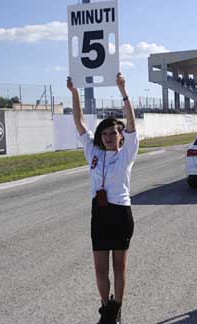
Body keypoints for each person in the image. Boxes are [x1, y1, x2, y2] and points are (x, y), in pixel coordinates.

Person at [67, 73, 138, 324]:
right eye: (105, 133)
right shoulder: (93, 152)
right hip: (99, 213)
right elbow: (79, 122)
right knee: (100, 267)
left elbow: (130, 122)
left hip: (120, 213)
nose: (109, 136)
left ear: (121, 137)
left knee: (119, 266)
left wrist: (123, 90)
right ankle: (105, 307)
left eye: (114, 133)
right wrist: (75, 93)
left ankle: (116, 311)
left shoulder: (127, 152)